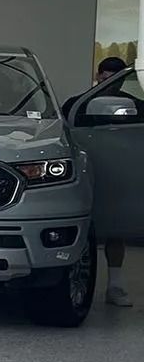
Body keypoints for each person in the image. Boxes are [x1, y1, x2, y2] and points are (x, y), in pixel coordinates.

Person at [70, 56, 133, 307]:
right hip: (83, 175)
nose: (110, 82)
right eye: (107, 75)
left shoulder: (135, 107)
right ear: (98, 75)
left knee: (116, 230)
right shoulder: (77, 105)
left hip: (118, 175)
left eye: (115, 76)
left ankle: (115, 285)